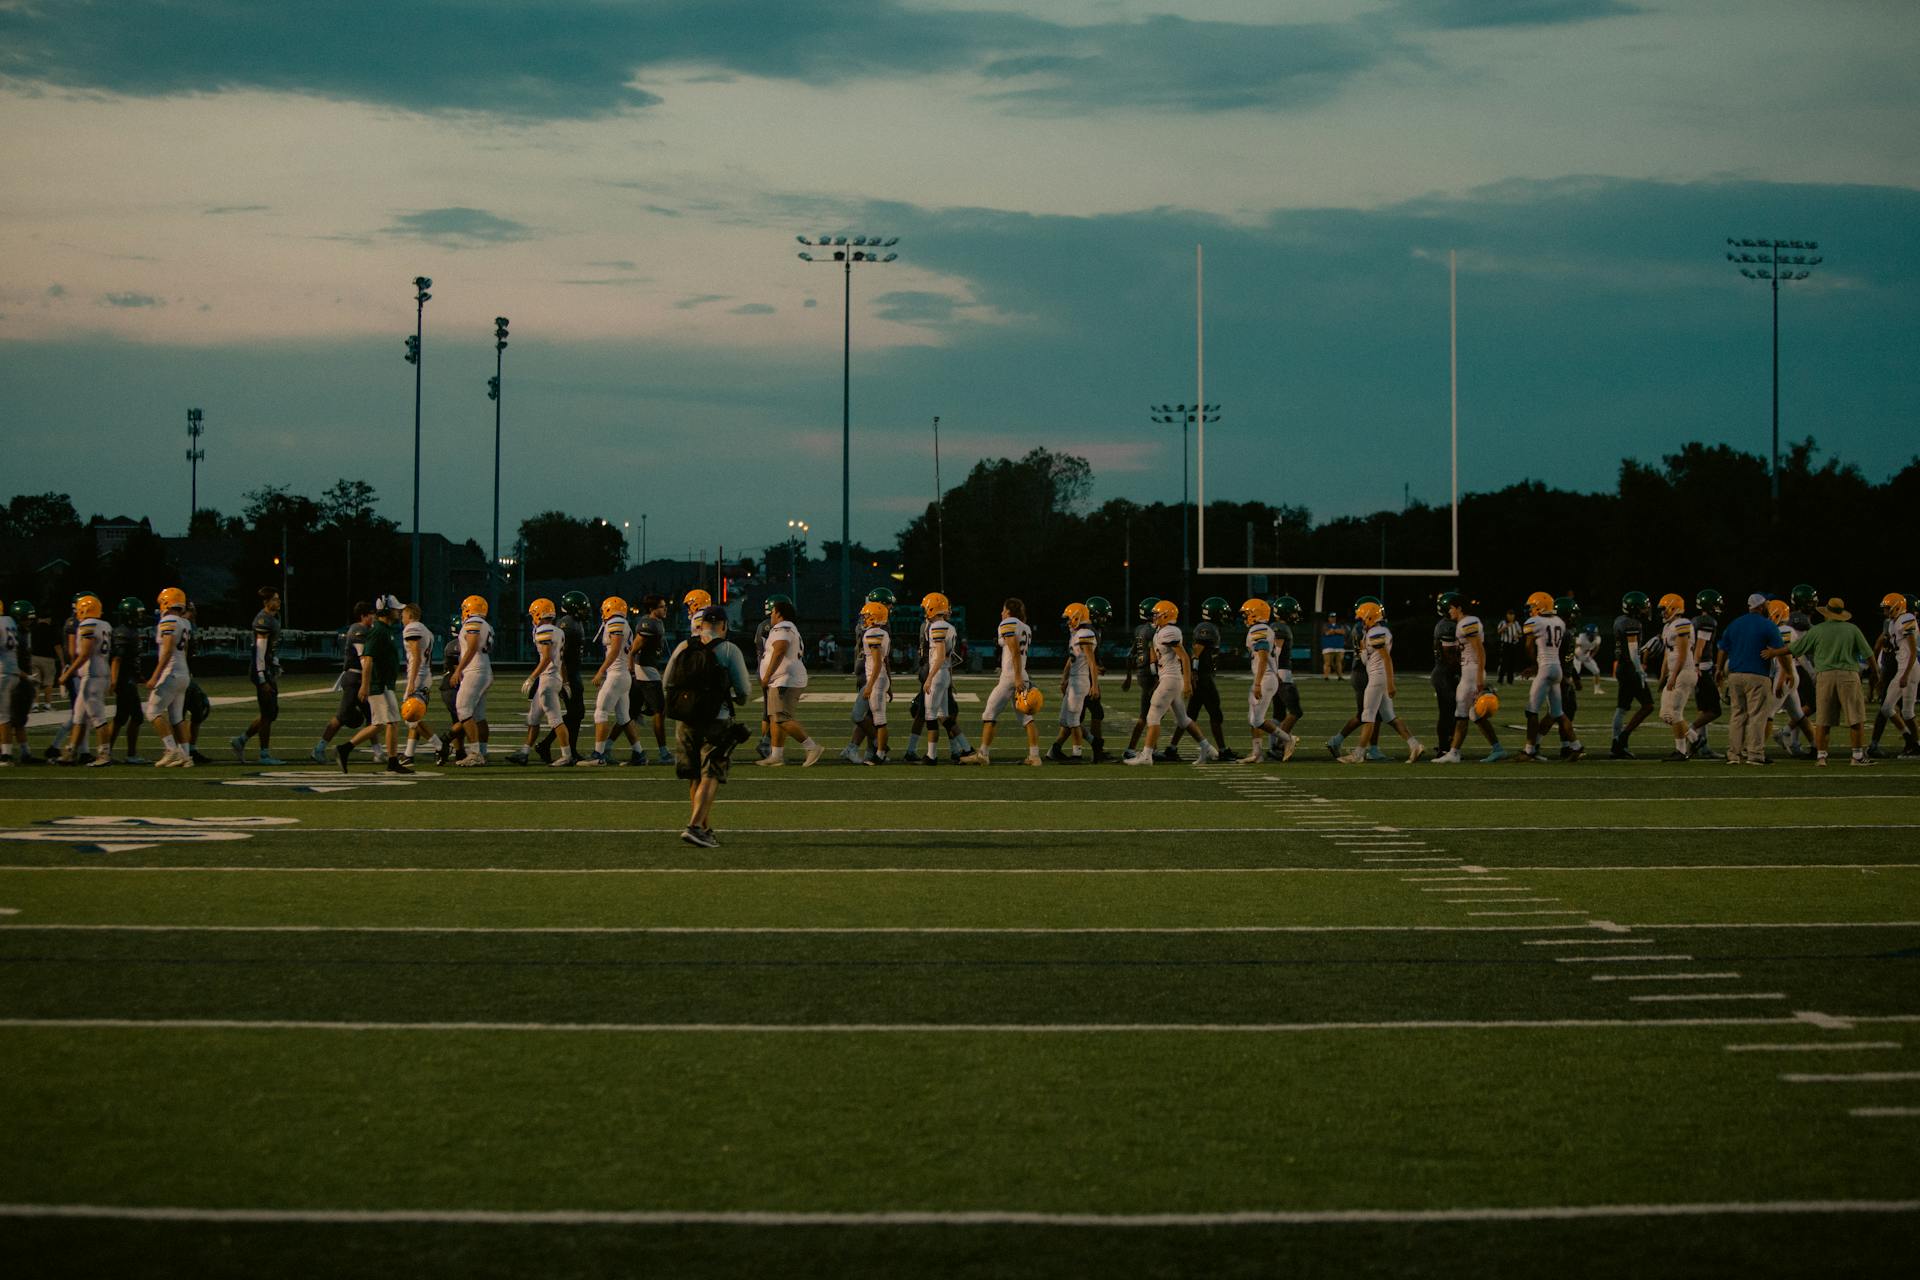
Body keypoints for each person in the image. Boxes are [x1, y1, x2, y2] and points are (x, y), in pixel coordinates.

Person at [664, 605, 753, 848]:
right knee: (711, 773)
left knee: (694, 775)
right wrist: (736, 700)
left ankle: (703, 828)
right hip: (717, 718)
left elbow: (667, 682)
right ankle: (694, 826)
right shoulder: (728, 649)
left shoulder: (684, 646)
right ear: (723, 625)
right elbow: (744, 690)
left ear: (701, 624)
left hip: (685, 720)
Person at [1766, 597, 1875, 766]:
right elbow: (1868, 654)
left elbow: (1794, 649)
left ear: (1827, 613)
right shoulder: (1852, 629)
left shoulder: (1818, 630)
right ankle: (1857, 756)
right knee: (1855, 718)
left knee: (1823, 719)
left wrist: (1774, 652)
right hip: (1848, 675)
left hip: (1825, 675)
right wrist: (1876, 674)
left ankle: (1821, 757)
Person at [1125, 600, 1216, 765]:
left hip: (1171, 679)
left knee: (1152, 716)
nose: (1154, 617)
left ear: (1166, 615)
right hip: (1169, 678)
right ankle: (1207, 748)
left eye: (1157, 614)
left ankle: (1146, 755)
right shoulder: (1162, 631)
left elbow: (1184, 657)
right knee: (1183, 720)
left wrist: (1187, 682)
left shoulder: (1170, 631)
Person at [1338, 601, 1424, 764]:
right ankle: (1415, 745)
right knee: (1389, 716)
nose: (1361, 621)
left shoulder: (1376, 632)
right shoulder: (1374, 632)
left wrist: (1390, 684)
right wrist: (1363, 648)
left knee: (1368, 716)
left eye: (1362, 618)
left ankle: (1358, 754)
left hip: (1378, 678)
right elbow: (1367, 659)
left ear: (1369, 617)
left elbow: (1386, 658)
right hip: (1378, 676)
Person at [333, 596, 409, 773]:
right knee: (384, 723)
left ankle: (390, 760)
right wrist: (365, 685)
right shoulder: (379, 631)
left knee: (387, 723)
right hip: (378, 685)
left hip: (383, 684)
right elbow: (368, 659)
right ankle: (345, 749)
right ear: (386, 610)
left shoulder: (385, 630)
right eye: (395, 609)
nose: (399, 611)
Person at [964, 598, 1041, 766]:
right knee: (1027, 718)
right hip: (1021, 675)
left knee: (989, 714)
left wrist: (1017, 676)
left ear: (1008, 611)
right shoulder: (1025, 627)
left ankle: (983, 754)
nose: (1001, 613)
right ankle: (1035, 756)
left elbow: (1013, 649)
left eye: (1003, 609)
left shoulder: (1008, 622)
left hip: (1011, 676)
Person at [755, 595, 823, 766]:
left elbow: (779, 650)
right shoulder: (788, 628)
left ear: (779, 613)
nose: (770, 615)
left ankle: (811, 747)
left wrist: (767, 675)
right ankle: (776, 755)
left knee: (782, 717)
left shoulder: (782, 627)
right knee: (775, 718)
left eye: (772, 612)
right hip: (782, 679)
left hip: (784, 680)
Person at [1434, 594, 1501, 764]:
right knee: (1475, 715)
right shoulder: (1465, 623)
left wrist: (1479, 678)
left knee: (1461, 714)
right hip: (1469, 670)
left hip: (1471, 672)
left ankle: (1454, 752)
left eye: (1451, 607)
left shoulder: (1467, 622)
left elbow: (1480, 650)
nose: (1449, 611)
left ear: (1459, 608)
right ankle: (1497, 748)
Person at [507, 598, 575, 767]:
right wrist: (565, 682)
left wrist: (532, 677)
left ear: (539, 613)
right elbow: (562, 660)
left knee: (556, 720)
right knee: (533, 718)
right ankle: (524, 752)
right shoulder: (558, 631)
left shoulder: (544, 630)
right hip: (554, 677)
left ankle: (567, 755)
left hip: (548, 680)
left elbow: (546, 658)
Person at [1717, 593, 1782, 765]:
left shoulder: (1735, 623)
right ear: (1761, 607)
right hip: (1757, 674)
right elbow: (1780, 650)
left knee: (1737, 715)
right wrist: (1788, 672)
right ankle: (1754, 754)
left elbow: (1722, 648)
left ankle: (1734, 755)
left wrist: (1718, 669)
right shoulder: (1768, 625)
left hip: (1735, 675)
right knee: (1757, 716)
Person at [1516, 591, 1581, 762]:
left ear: (1540, 607)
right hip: (1557, 669)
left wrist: (1533, 664)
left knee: (1531, 711)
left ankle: (1529, 749)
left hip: (1545, 668)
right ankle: (1576, 746)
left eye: (1532, 607)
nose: (1530, 610)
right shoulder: (1559, 621)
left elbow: (1529, 645)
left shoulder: (1535, 621)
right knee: (1558, 712)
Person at [1172, 597, 1234, 760]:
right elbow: (1197, 651)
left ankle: (1171, 748)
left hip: (1202, 677)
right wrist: (1194, 673)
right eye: (1222, 613)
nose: (1224, 616)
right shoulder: (1207, 628)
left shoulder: (1210, 627)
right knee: (1215, 714)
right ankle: (1222, 750)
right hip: (1203, 679)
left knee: (1189, 716)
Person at [54, 594, 113, 765]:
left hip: (92, 675)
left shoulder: (88, 624)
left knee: (97, 717)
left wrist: (67, 673)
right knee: (79, 716)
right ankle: (71, 751)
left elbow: (85, 653)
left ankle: (104, 754)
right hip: (100, 672)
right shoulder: (105, 624)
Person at [313, 602, 374, 763]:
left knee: (373, 717)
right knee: (342, 716)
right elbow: (363, 659)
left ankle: (379, 752)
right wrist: (365, 684)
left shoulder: (366, 630)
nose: (373, 617)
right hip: (355, 679)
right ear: (363, 615)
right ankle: (319, 748)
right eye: (371, 614)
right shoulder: (358, 629)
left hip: (360, 678)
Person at [231, 587, 284, 764]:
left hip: (267, 668)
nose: (278, 602)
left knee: (271, 713)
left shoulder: (273, 618)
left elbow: (270, 649)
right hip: (261, 670)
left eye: (278, 599)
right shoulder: (264, 619)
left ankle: (241, 740)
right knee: (267, 713)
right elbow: (259, 651)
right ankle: (264, 754)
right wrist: (262, 677)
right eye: (275, 599)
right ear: (266, 602)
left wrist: (275, 663)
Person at [1236, 597, 1293, 764]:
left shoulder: (1259, 629)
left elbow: (1262, 657)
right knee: (1252, 718)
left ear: (1255, 614)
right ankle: (1257, 753)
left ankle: (1287, 739)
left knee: (1257, 720)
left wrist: (1258, 683)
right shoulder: (1262, 628)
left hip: (1265, 678)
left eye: (1247, 614)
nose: (1245, 617)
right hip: (1266, 677)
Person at [143, 586, 195, 768]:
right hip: (182, 673)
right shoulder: (185, 623)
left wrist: (155, 676)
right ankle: (186, 756)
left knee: (152, 711)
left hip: (171, 673)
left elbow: (166, 651)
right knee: (176, 717)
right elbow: (185, 651)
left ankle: (171, 750)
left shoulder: (169, 621)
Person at [581, 595, 634, 766]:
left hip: (616, 674)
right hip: (623, 674)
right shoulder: (621, 622)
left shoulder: (615, 622)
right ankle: (640, 753)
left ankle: (598, 755)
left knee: (601, 712)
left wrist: (600, 671)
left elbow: (615, 649)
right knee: (624, 718)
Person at [1763, 599, 1817, 759]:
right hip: (1787, 674)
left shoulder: (1785, 630)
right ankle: (1816, 747)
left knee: (1768, 713)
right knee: (1799, 715)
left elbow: (1784, 655)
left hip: (1786, 674)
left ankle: (1757, 749)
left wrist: (1781, 678)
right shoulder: (1779, 629)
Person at [446, 595, 496, 766]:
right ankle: (482, 751)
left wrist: (458, 670)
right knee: (479, 716)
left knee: (463, 709)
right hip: (483, 668)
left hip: (475, 670)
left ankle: (475, 753)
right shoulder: (486, 624)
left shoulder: (472, 622)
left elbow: (473, 645)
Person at [625, 595, 673, 766]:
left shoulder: (656, 623)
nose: (665, 609)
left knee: (628, 714)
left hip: (646, 670)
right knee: (659, 711)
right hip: (645, 672)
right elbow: (633, 649)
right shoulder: (649, 624)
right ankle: (664, 753)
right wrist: (632, 668)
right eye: (662, 606)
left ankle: (604, 749)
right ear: (653, 609)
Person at [1049, 602, 1100, 763]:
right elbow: (1071, 660)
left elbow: (1092, 662)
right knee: (1064, 720)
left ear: (1078, 616)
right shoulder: (1076, 634)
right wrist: (1064, 678)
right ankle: (1094, 741)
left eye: (1069, 618)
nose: (1068, 621)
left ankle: (1077, 754)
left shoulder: (1085, 633)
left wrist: (1095, 685)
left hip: (1080, 681)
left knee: (1073, 720)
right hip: (1073, 680)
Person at [1870, 592, 1918, 757]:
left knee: (1907, 712)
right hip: (1902, 668)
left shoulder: (1907, 618)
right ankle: (1911, 741)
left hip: (1909, 669)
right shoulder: (1892, 623)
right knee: (1887, 707)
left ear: (1898, 606)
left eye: (1888, 608)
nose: (1885, 611)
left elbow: (1912, 652)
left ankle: (1915, 744)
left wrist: (1905, 674)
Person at [1610, 591, 1656, 758]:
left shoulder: (1620, 620)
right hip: (1630, 668)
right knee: (1648, 705)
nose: (1646, 610)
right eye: (1643, 607)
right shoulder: (1631, 623)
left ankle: (1616, 744)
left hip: (1622, 667)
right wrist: (1640, 670)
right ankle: (1622, 738)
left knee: (1621, 708)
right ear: (1635, 608)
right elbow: (1632, 651)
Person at [398, 603, 443, 765]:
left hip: (418, 676)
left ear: (410, 615)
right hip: (424, 675)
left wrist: (411, 682)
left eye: (403, 615)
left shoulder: (412, 628)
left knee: (409, 717)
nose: (401, 619)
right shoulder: (425, 630)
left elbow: (416, 656)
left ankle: (440, 745)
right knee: (414, 716)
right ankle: (409, 754)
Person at [1684, 589, 1725, 759]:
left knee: (1704, 709)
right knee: (1715, 710)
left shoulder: (1695, 620)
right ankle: (1690, 732)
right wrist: (1696, 666)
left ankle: (1704, 747)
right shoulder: (1707, 621)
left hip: (1696, 667)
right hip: (1702, 668)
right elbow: (1700, 646)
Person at [1121, 598, 1162, 760]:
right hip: (1150, 673)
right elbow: (1153, 655)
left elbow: (1129, 654)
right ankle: (1131, 748)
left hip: (1142, 672)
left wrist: (1129, 677)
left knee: (1153, 714)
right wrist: (1157, 676)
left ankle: (1152, 748)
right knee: (1146, 715)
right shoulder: (1152, 631)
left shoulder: (1139, 629)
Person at [854, 599, 893, 763]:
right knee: (868, 716)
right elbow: (884, 662)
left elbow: (877, 662)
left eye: (867, 616)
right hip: (880, 678)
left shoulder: (873, 633)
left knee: (879, 719)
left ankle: (880, 754)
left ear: (874, 617)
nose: (864, 619)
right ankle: (880, 748)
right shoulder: (881, 632)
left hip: (875, 679)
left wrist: (870, 685)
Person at [1430, 592, 1461, 754]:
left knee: (1452, 711)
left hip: (1445, 672)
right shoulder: (1447, 626)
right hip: (1444, 673)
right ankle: (1444, 746)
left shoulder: (1448, 623)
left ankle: (1447, 744)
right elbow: (1450, 656)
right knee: (1447, 712)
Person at [0, 599, 23, 765]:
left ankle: (6, 754)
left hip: (2, 672)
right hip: (13, 670)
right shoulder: (9, 620)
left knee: (3, 716)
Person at [1496, 609, 1523, 685]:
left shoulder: (1516, 623)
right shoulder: (1503, 622)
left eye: (1512, 615)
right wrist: (1505, 627)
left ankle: (1510, 681)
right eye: (1510, 615)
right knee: (1504, 662)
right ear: (1507, 615)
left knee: (1512, 663)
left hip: (1513, 644)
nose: (1511, 616)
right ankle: (1500, 680)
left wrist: (1517, 635)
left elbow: (1521, 633)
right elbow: (1498, 631)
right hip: (1505, 644)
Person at [1319, 613, 1346, 680]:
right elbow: (1327, 633)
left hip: (1339, 646)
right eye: (1331, 617)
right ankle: (1326, 677)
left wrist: (1333, 631)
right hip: (1328, 646)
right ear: (1328, 618)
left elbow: (1343, 632)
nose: (1333, 618)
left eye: (1334, 617)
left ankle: (1340, 676)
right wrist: (1336, 631)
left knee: (1339, 663)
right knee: (1327, 662)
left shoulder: (1340, 625)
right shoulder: (1325, 625)